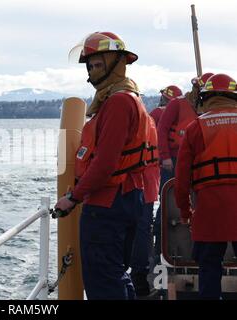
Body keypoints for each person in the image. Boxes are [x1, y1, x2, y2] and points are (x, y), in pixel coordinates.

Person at [55, 31, 153, 299]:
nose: (93, 73)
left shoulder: (118, 103)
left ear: (115, 63)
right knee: (117, 275)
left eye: (98, 64)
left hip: (108, 204)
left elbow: (105, 163)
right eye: (90, 66)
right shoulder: (129, 98)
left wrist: (73, 197)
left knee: (102, 282)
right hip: (128, 196)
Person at [175, 73, 237, 299]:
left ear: (204, 98)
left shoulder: (195, 127)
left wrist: (185, 211)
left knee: (209, 268)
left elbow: (181, 178)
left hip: (210, 210)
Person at [154, 72, 214, 260]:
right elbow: (162, 130)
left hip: (199, 163)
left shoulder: (208, 108)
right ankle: (159, 250)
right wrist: (165, 158)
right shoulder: (177, 104)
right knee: (167, 203)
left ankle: (196, 246)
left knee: (200, 203)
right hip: (173, 160)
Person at [130, 116, 160, 296]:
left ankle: (138, 277)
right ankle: (139, 276)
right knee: (143, 229)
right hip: (150, 183)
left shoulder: (135, 123)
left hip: (138, 185)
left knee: (138, 231)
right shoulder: (148, 121)